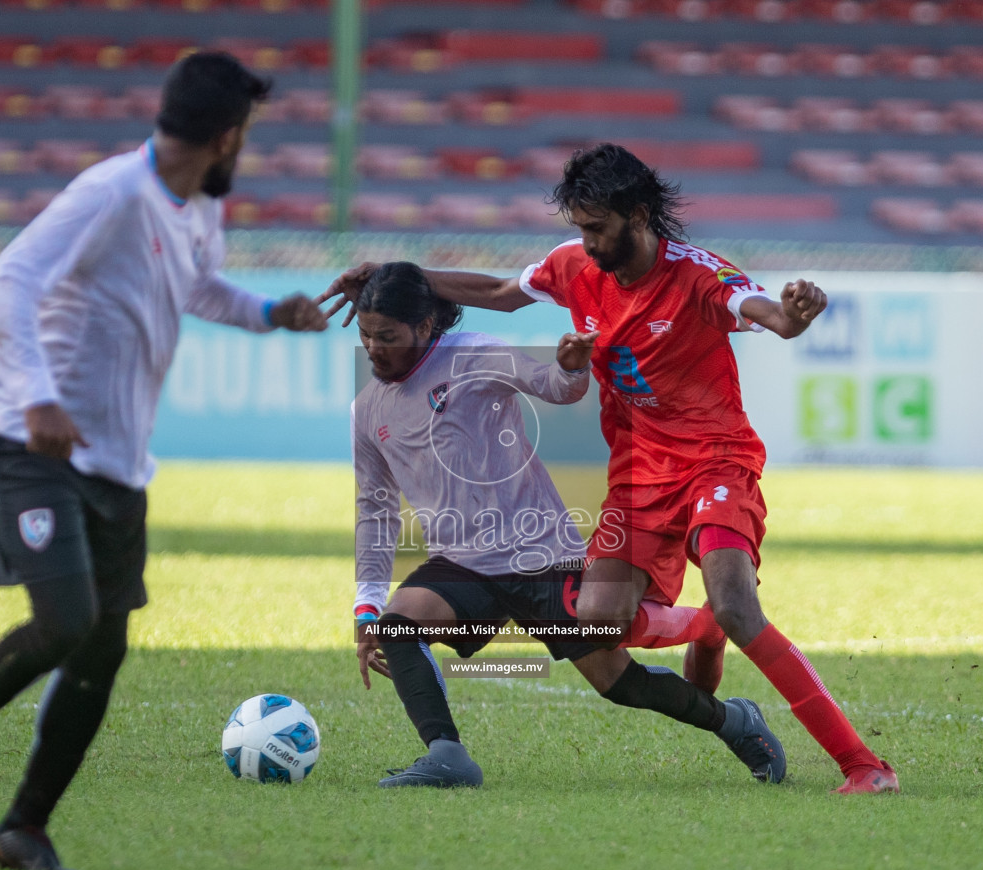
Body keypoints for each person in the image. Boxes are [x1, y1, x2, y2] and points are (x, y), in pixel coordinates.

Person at [324, 144, 898, 795]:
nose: (587, 243)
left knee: (739, 605)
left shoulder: (697, 276)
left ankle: (864, 765)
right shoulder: (575, 267)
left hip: (714, 460)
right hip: (634, 473)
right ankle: (704, 632)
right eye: (580, 228)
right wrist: (399, 273)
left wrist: (793, 315)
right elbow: (501, 293)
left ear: (639, 214)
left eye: (598, 228)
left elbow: (766, 313)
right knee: (601, 620)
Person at [0, 52, 331, 870]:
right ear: (225, 135)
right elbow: (8, 282)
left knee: (101, 652)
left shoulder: (199, 210)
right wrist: (36, 395)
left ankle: (25, 829)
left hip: (116, 466)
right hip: (31, 443)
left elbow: (198, 289)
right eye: (246, 134)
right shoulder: (110, 193)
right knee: (66, 622)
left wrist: (268, 312)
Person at [349, 261, 784, 788]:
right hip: (461, 565)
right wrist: (367, 603)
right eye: (366, 335)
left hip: (539, 555)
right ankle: (447, 756)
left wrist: (572, 368)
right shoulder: (367, 408)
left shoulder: (475, 356)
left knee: (619, 684)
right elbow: (374, 509)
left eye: (387, 336)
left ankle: (735, 720)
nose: (373, 348)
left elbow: (553, 387)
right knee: (396, 626)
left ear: (424, 327)